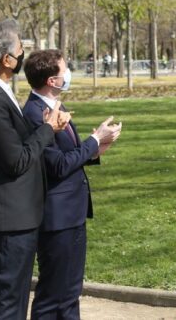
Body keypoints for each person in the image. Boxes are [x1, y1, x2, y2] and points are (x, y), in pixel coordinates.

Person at [0, 20, 70, 320]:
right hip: (7, 219)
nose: (23, 53)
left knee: (17, 301)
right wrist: (48, 128)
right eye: (20, 47)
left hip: (19, 216)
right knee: (8, 306)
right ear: (7, 59)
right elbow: (16, 160)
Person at [22, 50, 122, 319]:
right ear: (52, 80)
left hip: (72, 210)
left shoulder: (57, 106)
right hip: (56, 215)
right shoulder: (34, 113)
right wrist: (93, 139)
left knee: (70, 289)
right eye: (65, 70)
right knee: (53, 292)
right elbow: (56, 165)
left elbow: (70, 156)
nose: (69, 74)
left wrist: (98, 147)